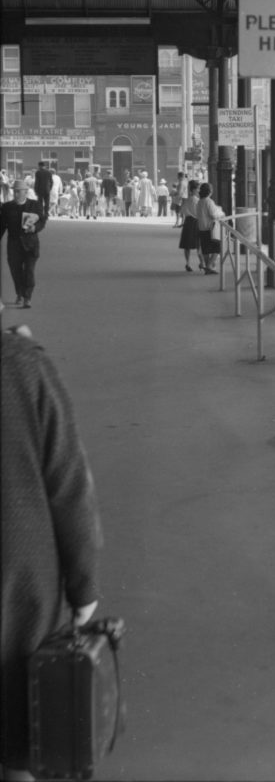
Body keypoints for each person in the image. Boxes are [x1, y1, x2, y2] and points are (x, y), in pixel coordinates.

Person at [0, 314, 103, 780]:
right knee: (19, 731)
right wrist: (84, 589)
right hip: (18, 593)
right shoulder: (23, 367)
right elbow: (69, 487)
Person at [0, 180, 47, 308]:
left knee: (29, 271)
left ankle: (27, 297)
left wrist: (35, 228)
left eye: (18, 191)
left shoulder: (35, 205)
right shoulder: (6, 207)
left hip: (30, 244)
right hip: (14, 244)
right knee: (16, 271)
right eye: (14, 191)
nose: (15, 194)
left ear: (26, 192)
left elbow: (42, 221)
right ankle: (19, 293)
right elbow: (2, 225)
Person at [196, 182, 226, 274]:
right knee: (217, 248)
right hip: (210, 229)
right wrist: (222, 213)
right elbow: (213, 215)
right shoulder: (209, 201)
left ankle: (207, 267)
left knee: (205, 249)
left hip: (201, 228)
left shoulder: (199, 202)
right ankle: (209, 266)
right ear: (209, 192)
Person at [178, 179, 202, 271]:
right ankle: (201, 263)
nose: (199, 190)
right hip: (196, 222)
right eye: (198, 189)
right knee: (199, 244)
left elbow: (182, 212)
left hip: (188, 222)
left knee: (187, 245)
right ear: (194, 190)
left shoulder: (187, 200)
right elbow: (199, 213)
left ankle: (188, 263)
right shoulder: (197, 201)